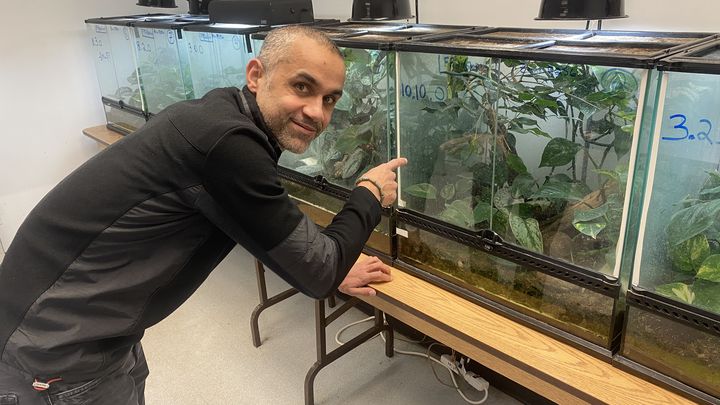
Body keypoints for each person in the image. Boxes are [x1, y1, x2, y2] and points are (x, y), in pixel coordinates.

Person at [0, 25, 407, 405]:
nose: (317, 113)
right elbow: (317, 275)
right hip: (53, 351)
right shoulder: (226, 143)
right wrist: (369, 195)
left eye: (330, 99)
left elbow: (266, 229)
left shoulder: (219, 115)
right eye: (302, 86)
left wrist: (327, 259)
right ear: (256, 75)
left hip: (96, 333)